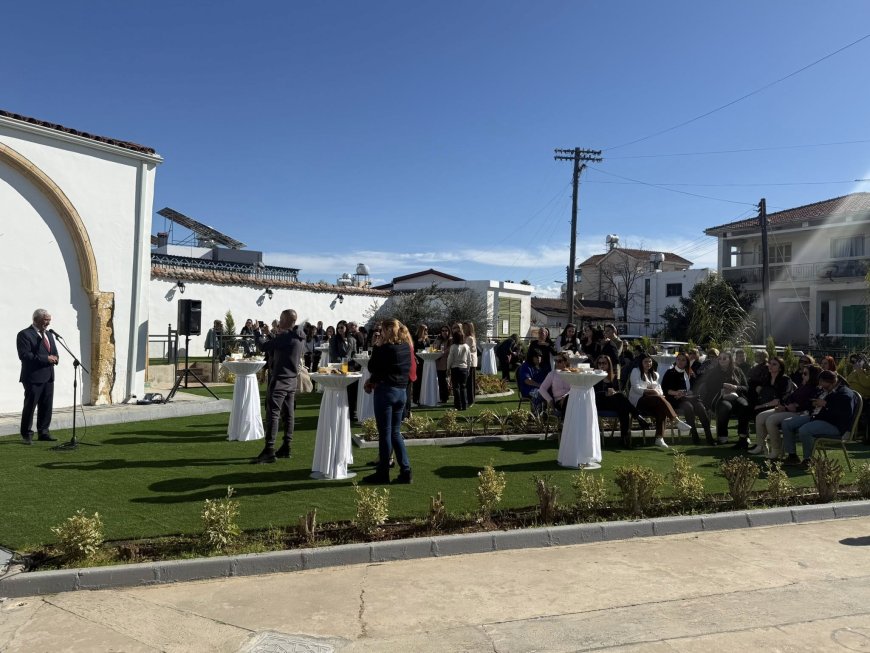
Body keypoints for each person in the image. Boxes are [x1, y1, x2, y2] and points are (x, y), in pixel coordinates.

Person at [363, 319, 413, 485]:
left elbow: (373, 367)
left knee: (385, 433)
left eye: (382, 330)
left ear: (386, 330)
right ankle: (405, 470)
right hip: (401, 392)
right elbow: (386, 369)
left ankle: (383, 472)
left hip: (386, 392)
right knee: (395, 432)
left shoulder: (385, 349)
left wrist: (376, 347)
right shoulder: (406, 347)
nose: (380, 333)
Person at [253, 309, 304, 463]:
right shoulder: (299, 335)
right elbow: (279, 345)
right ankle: (286, 446)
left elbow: (264, 346)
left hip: (280, 380)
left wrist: (256, 332)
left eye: (281, 318)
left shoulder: (286, 337)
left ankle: (269, 449)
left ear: (285, 320)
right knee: (288, 414)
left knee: (273, 414)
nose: (279, 321)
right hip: (291, 379)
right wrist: (271, 334)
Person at [782, 370, 858, 467]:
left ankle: (808, 460)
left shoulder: (845, 393)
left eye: (822, 382)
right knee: (787, 423)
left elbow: (845, 413)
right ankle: (792, 456)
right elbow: (811, 402)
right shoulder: (825, 390)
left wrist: (826, 404)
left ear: (831, 382)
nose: (820, 384)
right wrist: (812, 403)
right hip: (817, 417)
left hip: (835, 424)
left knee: (805, 430)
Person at [753, 364, 821, 460]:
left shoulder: (815, 389)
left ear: (813, 375)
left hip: (799, 413)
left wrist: (789, 408)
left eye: (805, 373)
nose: (802, 375)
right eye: (803, 373)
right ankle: (761, 445)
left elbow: (808, 405)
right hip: (788, 408)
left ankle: (777, 449)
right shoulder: (803, 385)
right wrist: (783, 405)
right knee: (760, 416)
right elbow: (791, 397)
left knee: (771, 420)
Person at [628, 354, 692, 449]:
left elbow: (660, 389)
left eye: (650, 361)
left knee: (661, 409)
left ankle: (659, 438)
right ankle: (675, 420)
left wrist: (655, 392)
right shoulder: (636, 371)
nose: (648, 364)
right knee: (658, 397)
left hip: (654, 401)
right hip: (639, 401)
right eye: (646, 361)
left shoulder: (654, 374)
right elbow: (636, 388)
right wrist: (650, 390)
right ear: (641, 363)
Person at [17, 309, 59, 444]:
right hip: (33, 377)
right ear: (36, 319)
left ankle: (44, 432)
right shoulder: (24, 334)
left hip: (48, 376)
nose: (48, 323)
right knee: (30, 406)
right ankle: (26, 435)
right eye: (45, 320)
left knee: (46, 406)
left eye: (49, 320)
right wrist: (46, 358)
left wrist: (56, 358)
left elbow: (54, 352)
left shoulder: (49, 335)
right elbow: (24, 356)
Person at [593, 355, 651, 448]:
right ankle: (637, 417)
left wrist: (614, 392)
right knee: (621, 399)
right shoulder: (594, 377)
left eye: (604, 363)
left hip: (613, 403)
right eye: (599, 363)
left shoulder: (613, 377)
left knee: (623, 407)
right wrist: (605, 393)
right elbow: (592, 393)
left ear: (609, 364)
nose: (601, 365)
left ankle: (624, 439)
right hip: (599, 403)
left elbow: (617, 391)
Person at [696, 350, 751, 447]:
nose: (722, 360)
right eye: (720, 358)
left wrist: (735, 387)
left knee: (744, 405)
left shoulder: (737, 371)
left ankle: (743, 436)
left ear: (730, 359)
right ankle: (722, 435)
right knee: (725, 407)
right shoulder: (713, 372)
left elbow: (746, 388)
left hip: (736, 396)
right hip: (720, 398)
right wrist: (722, 386)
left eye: (724, 358)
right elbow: (708, 387)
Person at [661, 352, 714, 445]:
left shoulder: (690, 372)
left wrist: (686, 393)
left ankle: (709, 436)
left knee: (700, 407)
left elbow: (694, 388)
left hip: (689, 397)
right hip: (675, 399)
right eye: (678, 359)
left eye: (683, 360)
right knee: (688, 407)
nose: (680, 362)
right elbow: (665, 389)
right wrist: (677, 393)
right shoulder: (670, 372)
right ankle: (694, 435)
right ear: (675, 360)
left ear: (687, 362)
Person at [747, 357, 794, 455]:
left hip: (782, 407)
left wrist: (761, 406)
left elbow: (780, 400)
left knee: (760, 414)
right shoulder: (767, 378)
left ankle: (771, 448)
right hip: (768, 407)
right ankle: (761, 446)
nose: (770, 366)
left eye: (774, 364)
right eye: (770, 363)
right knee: (756, 413)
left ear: (780, 368)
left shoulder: (785, 380)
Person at [330, 321, 359, 421]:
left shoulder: (352, 339)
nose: (340, 329)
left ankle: (352, 413)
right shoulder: (334, 339)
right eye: (338, 328)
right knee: (341, 390)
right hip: (339, 368)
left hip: (351, 368)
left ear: (346, 328)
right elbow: (333, 354)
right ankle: (339, 413)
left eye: (342, 327)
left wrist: (353, 364)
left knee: (352, 391)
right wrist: (343, 363)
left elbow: (355, 353)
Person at [446, 329, 472, 410]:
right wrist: (468, 369)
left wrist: (448, 368)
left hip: (455, 368)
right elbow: (469, 359)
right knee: (463, 387)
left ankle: (458, 405)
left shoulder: (453, 347)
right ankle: (464, 405)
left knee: (456, 387)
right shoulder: (466, 346)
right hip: (464, 368)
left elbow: (450, 359)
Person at [433, 325, 453, 403]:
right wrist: (437, 340)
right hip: (438, 363)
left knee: (444, 380)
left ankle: (445, 397)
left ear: (448, 332)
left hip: (446, 363)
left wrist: (442, 352)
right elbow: (434, 348)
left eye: (446, 331)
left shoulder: (450, 340)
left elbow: (448, 350)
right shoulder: (438, 339)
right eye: (443, 331)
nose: (444, 332)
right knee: (440, 381)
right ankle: (441, 397)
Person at [462, 321, 478, 407]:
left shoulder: (469, 338)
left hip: (470, 362)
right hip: (469, 361)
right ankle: (470, 399)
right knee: (469, 381)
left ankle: (471, 400)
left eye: (465, 327)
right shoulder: (467, 337)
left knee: (470, 382)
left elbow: (466, 350)